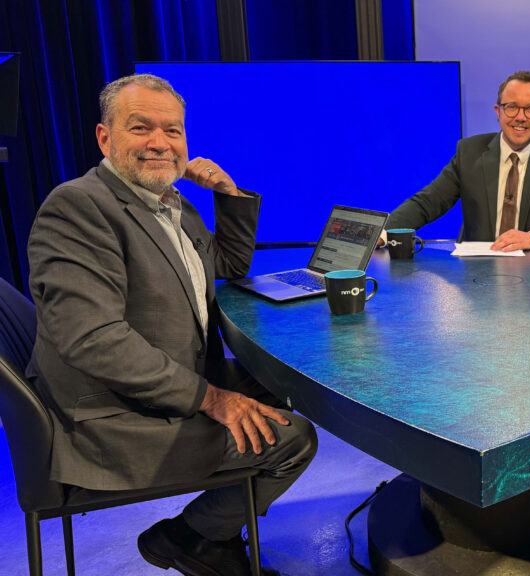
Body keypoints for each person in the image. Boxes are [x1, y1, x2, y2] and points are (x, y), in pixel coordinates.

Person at [25, 74, 318, 576]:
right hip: (110, 417)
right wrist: (211, 397)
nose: (161, 142)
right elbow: (92, 338)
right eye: (141, 128)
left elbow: (226, 264)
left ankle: (213, 530)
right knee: (295, 438)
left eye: (174, 131)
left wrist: (227, 193)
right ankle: (191, 538)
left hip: (153, 381)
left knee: (288, 388)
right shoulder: (78, 207)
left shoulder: (168, 205)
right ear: (105, 138)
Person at [384, 70, 530, 251]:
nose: (521, 117)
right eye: (512, 106)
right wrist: (383, 233)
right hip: (473, 276)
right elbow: (427, 203)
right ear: (498, 111)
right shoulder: (469, 152)